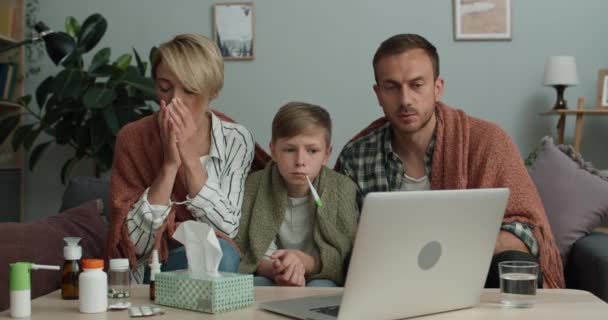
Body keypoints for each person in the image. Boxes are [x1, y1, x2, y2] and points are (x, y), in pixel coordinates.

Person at [335, 34, 565, 288]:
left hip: (471, 277)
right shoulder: (355, 157)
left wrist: (453, 248)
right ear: (378, 93)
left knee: (514, 262)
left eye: (417, 84)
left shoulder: (488, 142)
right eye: (391, 87)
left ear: (437, 88)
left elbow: (529, 235)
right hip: (392, 281)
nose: (405, 100)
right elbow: (340, 243)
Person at [106, 34, 255, 283]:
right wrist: (170, 164)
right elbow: (132, 245)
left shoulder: (236, 139)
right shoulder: (132, 138)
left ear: (213, 91)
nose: (175, 100)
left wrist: (189, 157)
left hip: (218, 261)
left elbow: (227, 228)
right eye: (165, 88)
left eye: (189, 90)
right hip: (152, 267)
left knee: (219, 252)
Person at [236, 102, 358, 287]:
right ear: (273, 151)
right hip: (272, 272)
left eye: (312, 151)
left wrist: (304, 262)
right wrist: (279, 270)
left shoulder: (343, 189)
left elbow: (342, 255)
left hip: (319, 274)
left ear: (326, 154)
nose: (300, 161)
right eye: (289, 150)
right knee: (257, 284)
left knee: (321, 288)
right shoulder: (254, 185)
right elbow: (250, 249)